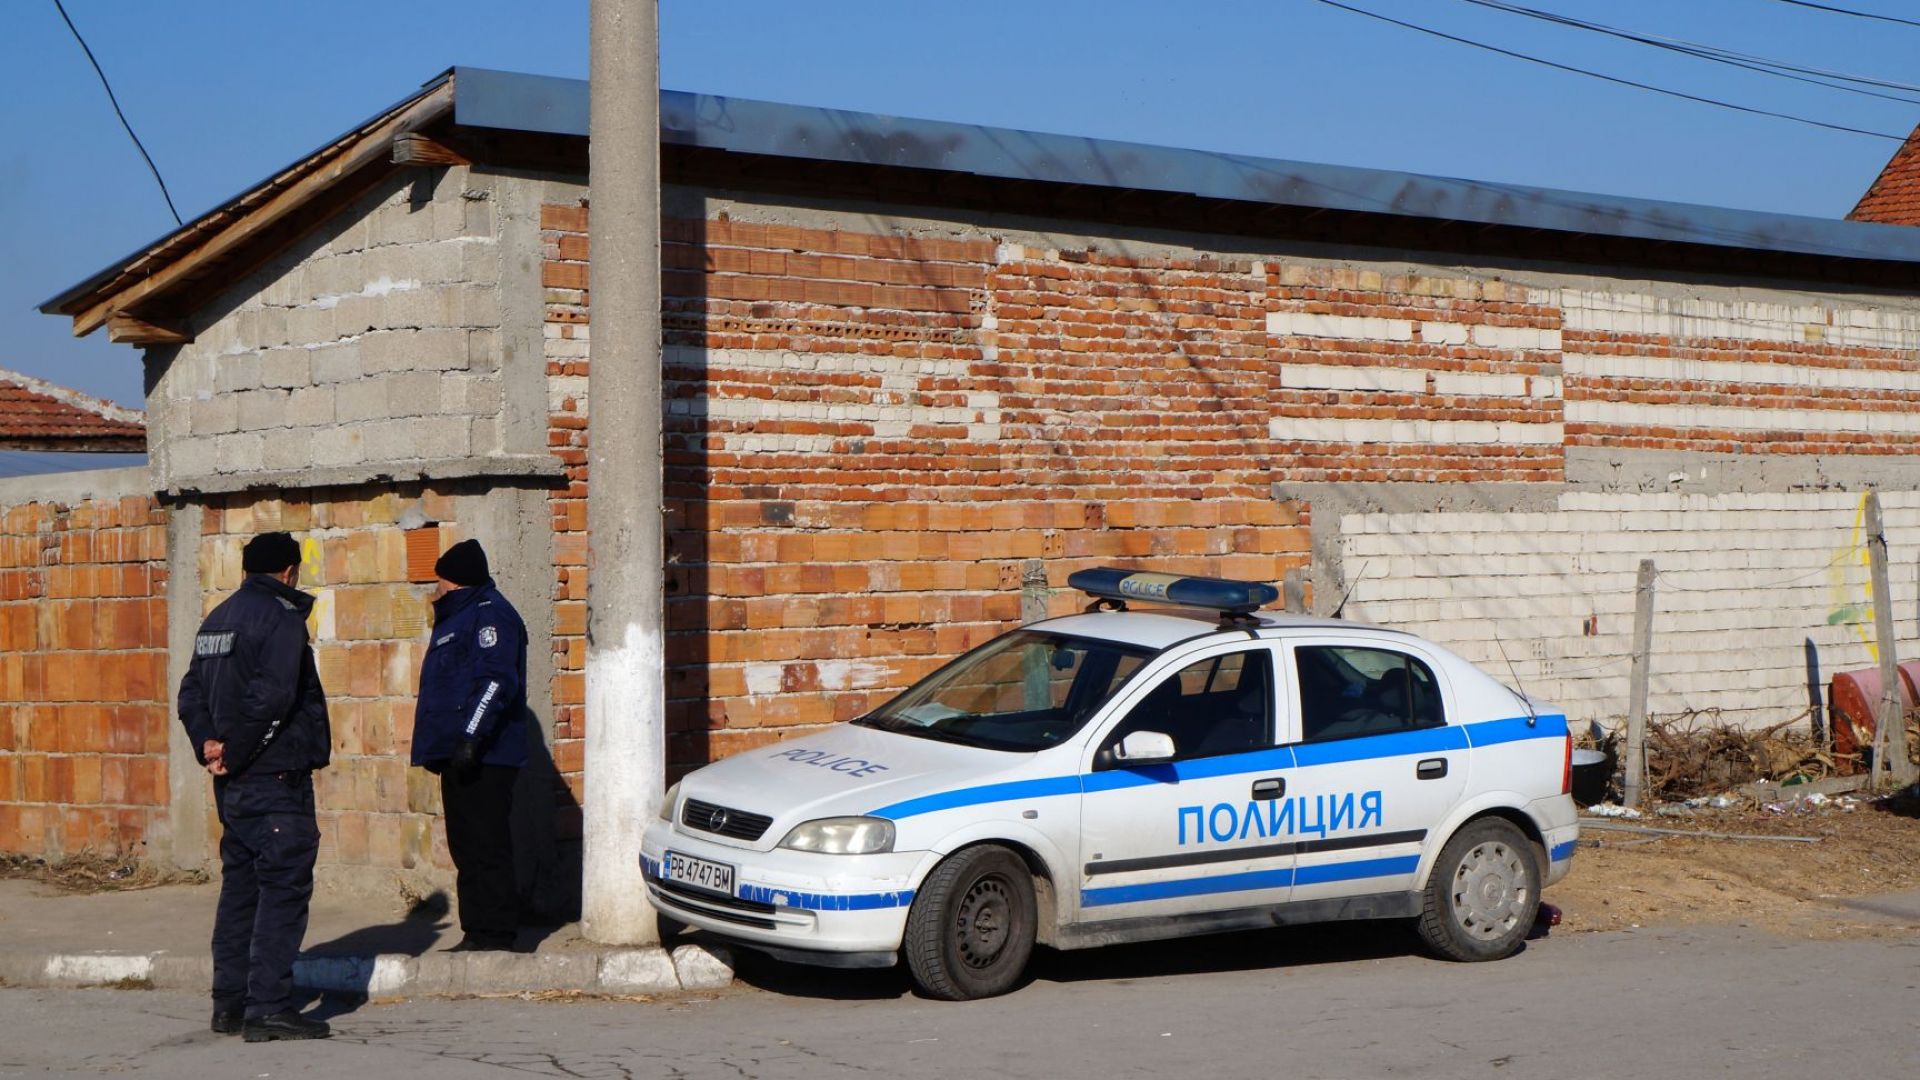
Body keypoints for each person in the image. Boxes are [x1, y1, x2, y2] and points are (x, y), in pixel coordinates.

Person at [177, 531, 332, 1042]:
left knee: (240, 891)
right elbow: (273, 698)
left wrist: (209, 744)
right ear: (289, 571)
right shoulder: (281, 618)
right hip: (274, 778)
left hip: (234, 783)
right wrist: (235, 750)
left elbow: (190, 693)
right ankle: (267, 1007)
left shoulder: (217, 619)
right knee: (282, 889)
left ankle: (229, 1004)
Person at [412, 539, 529, 952]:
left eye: (441, 584)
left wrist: (470, 738)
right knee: (465, 845)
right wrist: (436, 746)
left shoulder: (489, 615)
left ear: (457, 583)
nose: (436, 592)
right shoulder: (456, 618)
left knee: (486, 844)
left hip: (486, 753)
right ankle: (477, 931)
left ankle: (495, 936)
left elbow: (494, 682)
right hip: (459, 752)